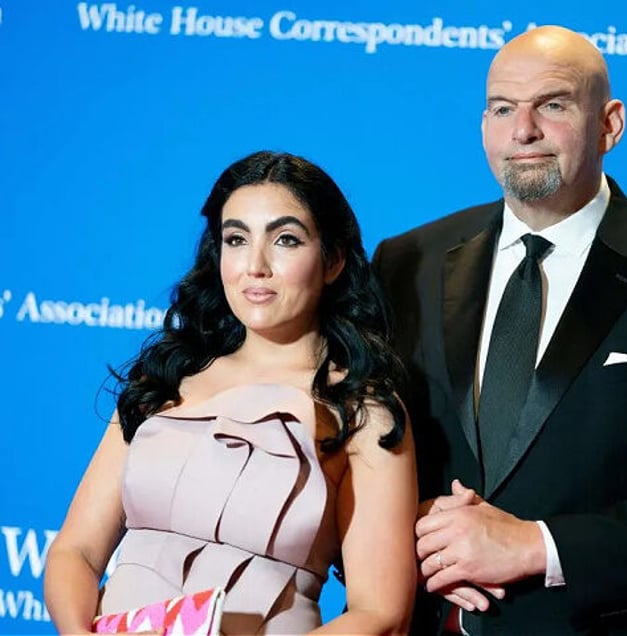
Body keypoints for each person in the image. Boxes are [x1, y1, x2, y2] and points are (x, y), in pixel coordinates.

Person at [371, 25, 627, 635]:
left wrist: (539, 545)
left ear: (609, 125)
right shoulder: (408, 261)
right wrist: (413, 528)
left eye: (553, 105)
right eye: (503, 108)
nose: (523, 131)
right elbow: (360, 453)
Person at [44, 150, 418, 635]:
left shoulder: (363, 412)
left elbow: (381, 613)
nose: (254, 266)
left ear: (333, 260)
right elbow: (75, 551)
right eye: (236, 239)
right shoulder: (163, 379)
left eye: (285, 239)